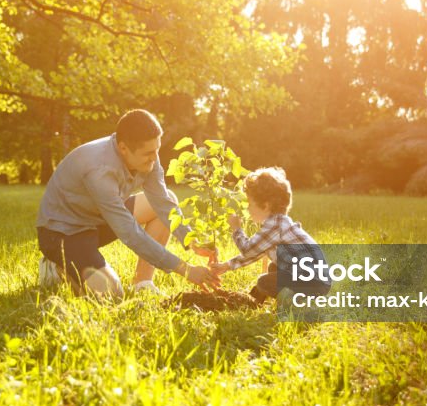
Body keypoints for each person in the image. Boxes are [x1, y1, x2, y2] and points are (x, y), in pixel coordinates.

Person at [36, 109, 220, 299]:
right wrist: (186, 270)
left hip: (97, 220)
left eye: (157, 149)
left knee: (169, 198)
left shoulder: (149, 158)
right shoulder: (99, 169)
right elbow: (130, 233)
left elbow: (163, 203)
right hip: (62, 233)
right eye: (148, 153)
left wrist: (192, 241)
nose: (155, 158)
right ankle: (55, 266)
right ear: (123, 148)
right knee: (112, 293)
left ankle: (143, 283)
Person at [210, 167, 327, 303]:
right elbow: (255, 253)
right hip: (316, 280)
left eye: (250, 203)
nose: (248, 209)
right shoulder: (280, 222)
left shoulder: (274, 225)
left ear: (265, 206)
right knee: (273, 268)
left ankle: (298, 303)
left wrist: (236, 229)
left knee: (264, 281)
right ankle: (256, 300)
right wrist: (227, 266)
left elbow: (248, 250)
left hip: (312, 282)